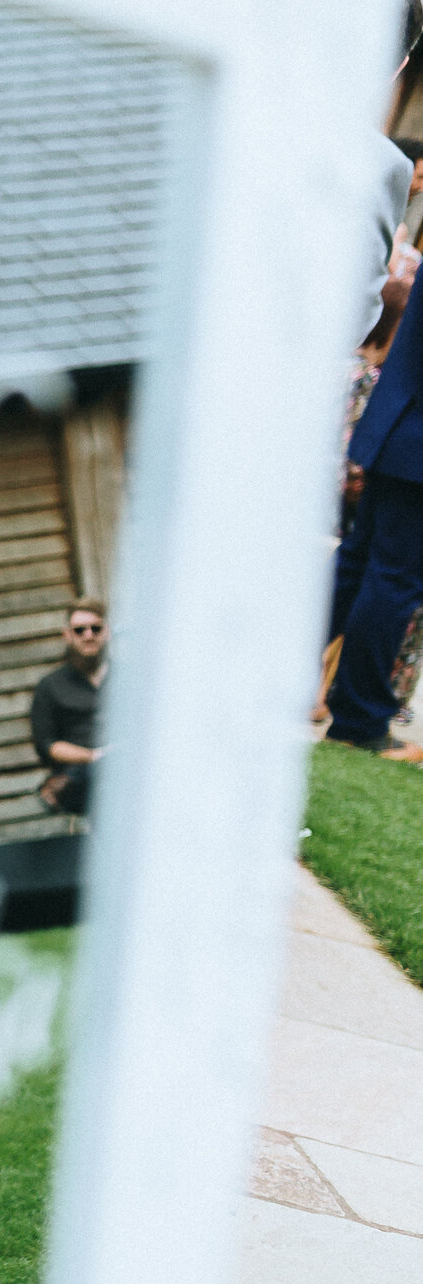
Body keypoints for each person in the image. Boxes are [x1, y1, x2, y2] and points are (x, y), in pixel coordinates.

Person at [324, 10, 423, 764]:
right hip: (415, 443)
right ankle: (358, 718)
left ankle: (283, 671)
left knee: (360, 562)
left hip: (397, 429)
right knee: (394, 574)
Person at [30, 599, 108, 817]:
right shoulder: (50, 686)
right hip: (82, 775)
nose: (89, 635)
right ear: (67, 635)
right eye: (80, 630)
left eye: (96, 628)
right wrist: (94, 756)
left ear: (107, 632)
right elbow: (47, 745)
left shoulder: (130, 676)